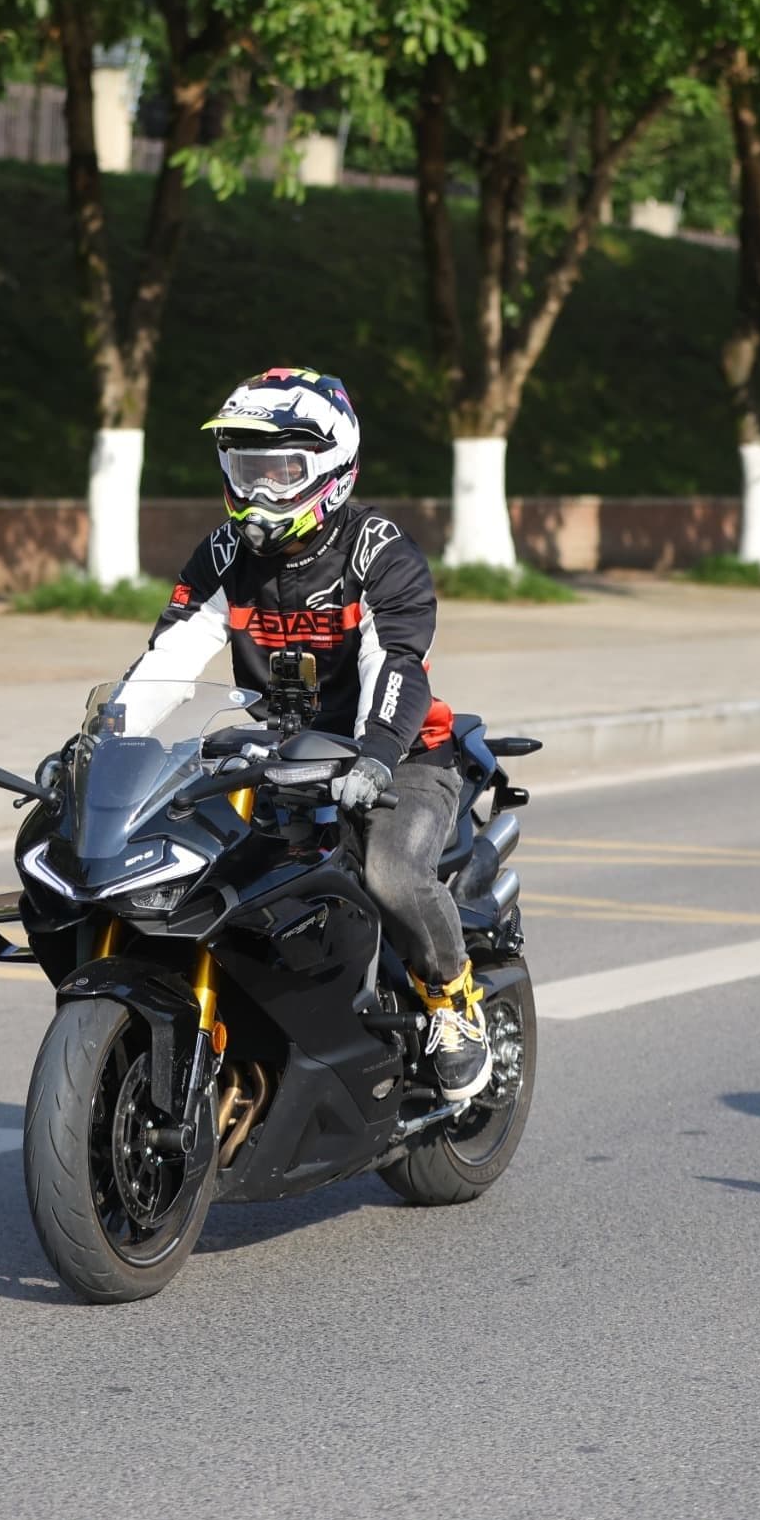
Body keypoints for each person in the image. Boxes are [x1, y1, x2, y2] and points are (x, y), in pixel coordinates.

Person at [118, 367, 492, 1103]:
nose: (258, 491)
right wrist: (110, 736)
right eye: (245, 469)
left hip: (401, 754)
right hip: (281, 754)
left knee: (389, 874)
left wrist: (379, 753)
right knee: (204, 869)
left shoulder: (375, 550)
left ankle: (454, 1002)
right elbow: (171, 655)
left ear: (330, 467)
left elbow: (399, 665)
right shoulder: (227, 556)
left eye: (280, 470)